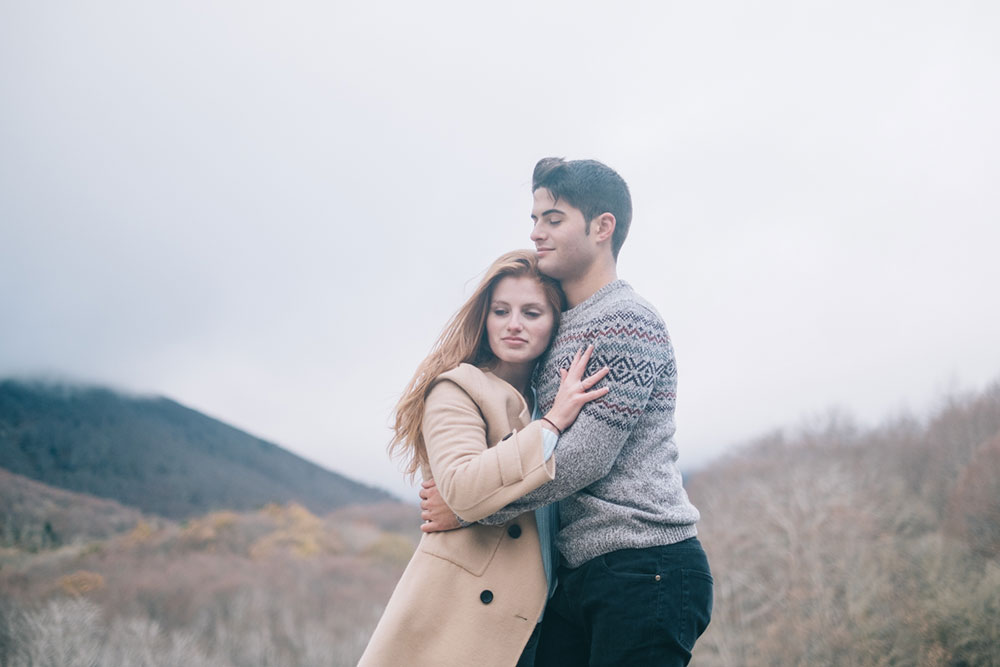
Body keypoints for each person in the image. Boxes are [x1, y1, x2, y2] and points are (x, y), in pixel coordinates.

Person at [424, 158, 714, 665]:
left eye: (552, 219)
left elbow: (584, 460)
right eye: (534, 219)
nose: (536, 232)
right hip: (578, 572)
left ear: (603, 227)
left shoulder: (626, 321)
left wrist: (475, 508)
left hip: (646, 563)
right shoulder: (563, 325)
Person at [358, 250, 610, 667]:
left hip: (541, 618)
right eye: (501, 311)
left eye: (532, 312)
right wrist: (548, 426)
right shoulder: (456, 388)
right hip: (462, 615)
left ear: (555, 323)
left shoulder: (546, 397)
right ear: (485, 319)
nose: (514, 324)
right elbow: (462, 489)